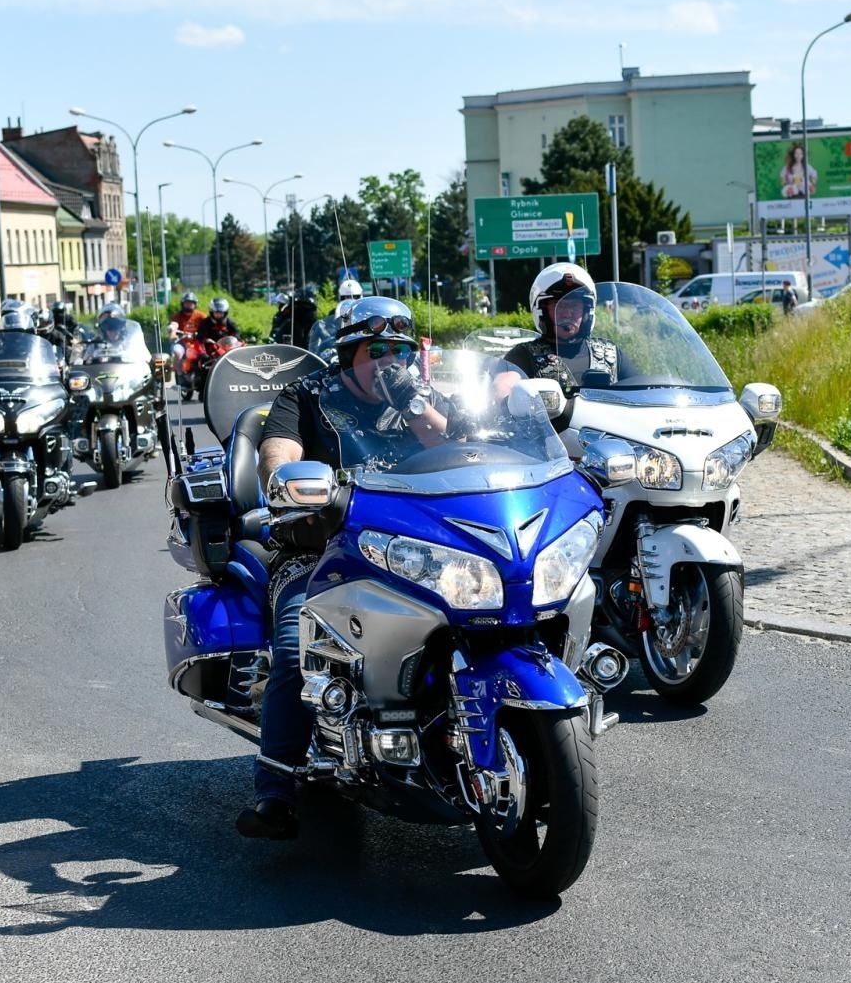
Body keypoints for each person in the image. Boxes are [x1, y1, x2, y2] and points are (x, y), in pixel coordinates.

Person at [237, 296, 452, 840]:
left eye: (399, 351)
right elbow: (277, 457)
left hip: (416, 552)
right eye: (376, 350)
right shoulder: (303, 397)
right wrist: (289, 482)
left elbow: (462, 447)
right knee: (295, 648)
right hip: (321, 551)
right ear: (349, 352)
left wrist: (415, 404)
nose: (388, 361)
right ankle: (276, 787)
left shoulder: (420, 398)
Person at [500, 263, 632, 411]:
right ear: (542, 311)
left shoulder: (611, 354)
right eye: (559, 305)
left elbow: (643, 393)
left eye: (575, 305)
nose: (568, 313)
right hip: (552, 434)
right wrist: (501, 394)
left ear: (587, 311)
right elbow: (503, 389)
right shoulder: (523, 356)